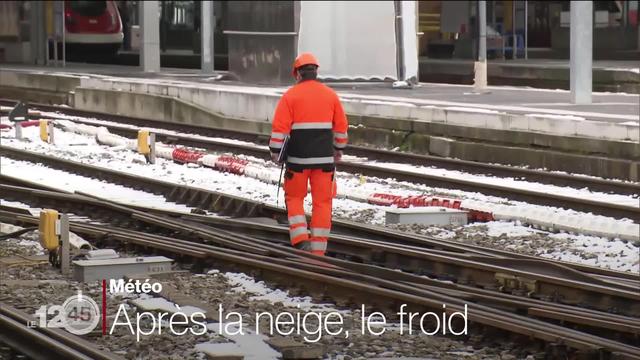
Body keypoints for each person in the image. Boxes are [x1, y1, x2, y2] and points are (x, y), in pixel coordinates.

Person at [269, 52, 348, 256]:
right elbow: (341, 127)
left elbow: (279, 129)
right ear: (316, 72)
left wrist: (275, 153)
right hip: (324, 161)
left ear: (297, 74)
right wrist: (339, 149)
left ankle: (301, 239)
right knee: (323, 202)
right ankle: (318, 252)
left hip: (297, 161)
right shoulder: (330, 95)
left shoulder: (290, 96)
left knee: (294, 197)